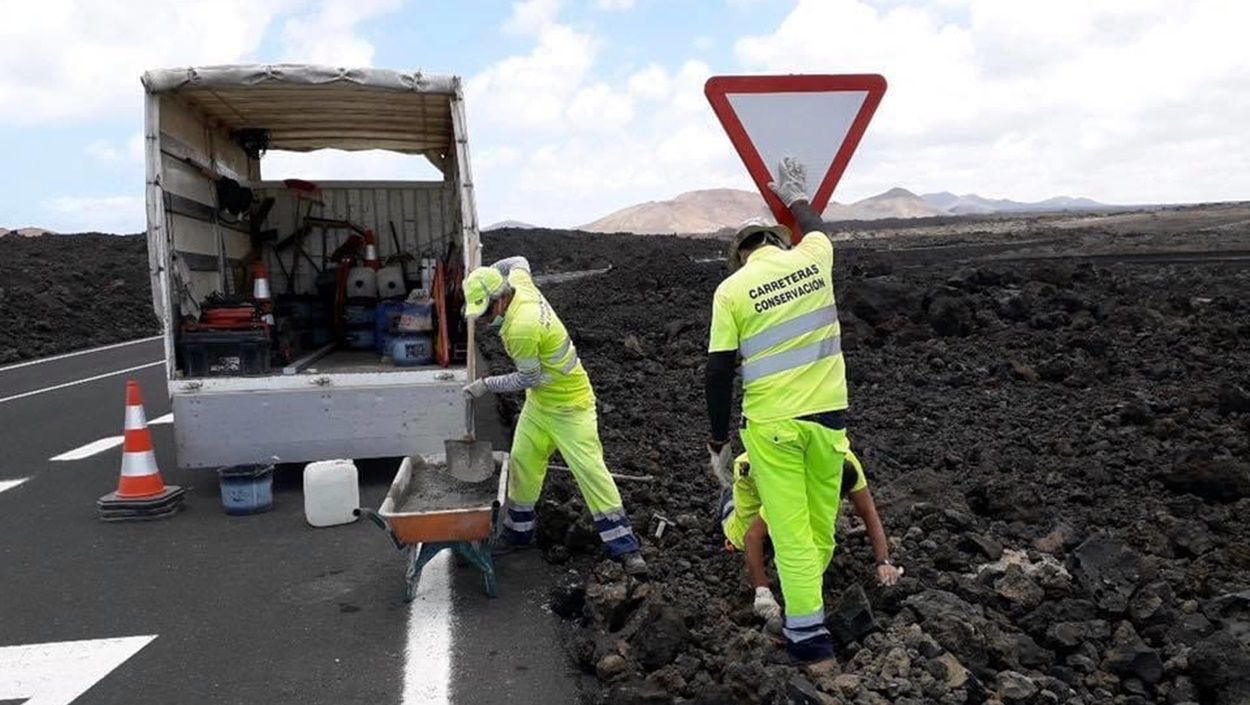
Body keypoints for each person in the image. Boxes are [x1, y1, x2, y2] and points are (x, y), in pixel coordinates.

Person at [704, 156, 854, 663]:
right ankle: (804, 617)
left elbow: (719, 371)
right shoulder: (815, 257)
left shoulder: (730, 291)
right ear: (778, 241)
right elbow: (814, 226)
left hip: (770, 428)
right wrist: (794, 195)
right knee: (819, 530)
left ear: (739, 256)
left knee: (789, 533)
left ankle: (809, 642)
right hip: (828, 420)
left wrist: (719, 441)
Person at [462, 256, 647, 575]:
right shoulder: (518, 282)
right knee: (522, 461)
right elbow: (520, 260)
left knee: (590, 470)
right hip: (540, 406)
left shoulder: (522, 326)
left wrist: (485, 385)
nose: (484, 320)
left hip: (571, 406)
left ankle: (625, 547)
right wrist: (489, 273)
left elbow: (527, 378)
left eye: (487, 311)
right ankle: (518, 534)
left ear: (501, 297)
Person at [719, 449, 901, 625]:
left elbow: (868, 511)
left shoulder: (845, 461)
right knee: (742, 537)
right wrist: (762, 592)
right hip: (752, 472)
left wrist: (883, 562)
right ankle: (727, 499)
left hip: (787, 471)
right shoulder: (792, 488)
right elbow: (752, 537)